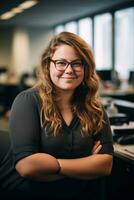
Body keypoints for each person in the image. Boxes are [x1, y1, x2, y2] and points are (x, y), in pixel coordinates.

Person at [0, 32, 113, 199]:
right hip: (27, 194)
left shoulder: (94, 108)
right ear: (48, 65)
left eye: (77, 63)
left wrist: (54, 165)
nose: (69, 70)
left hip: (75, 194)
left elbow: (105, 165)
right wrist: (85, 164)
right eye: (61, 63)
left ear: (85, 67)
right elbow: (27, 167)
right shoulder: (28, 101)